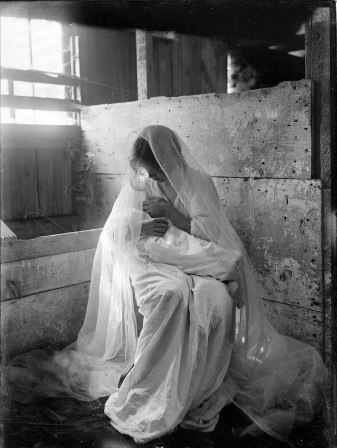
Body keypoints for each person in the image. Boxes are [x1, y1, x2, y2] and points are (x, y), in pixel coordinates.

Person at [3, 125, 328, 444]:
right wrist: (143, 227)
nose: (155, 179)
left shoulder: (197, 181)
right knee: (171, 295)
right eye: (150, 172)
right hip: (149, 258)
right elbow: (115, 228)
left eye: (160, 172)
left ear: (172, 160)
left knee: (212, 299)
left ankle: (196, 386)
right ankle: (153, 387)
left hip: (190, 252)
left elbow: (212, 233)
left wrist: (171, 212)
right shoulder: (139, 181)